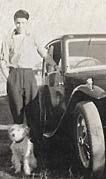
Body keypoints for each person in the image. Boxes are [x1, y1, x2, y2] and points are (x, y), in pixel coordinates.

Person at [0, 10, 57, 146]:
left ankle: (36, 145)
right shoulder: (8, 39)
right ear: (14, 22)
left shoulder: (33, 37)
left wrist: (55, 65)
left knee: (33, 110)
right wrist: (9, 78)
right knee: (17, 111)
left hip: (29, 75)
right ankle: (19, 146)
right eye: (18, 22)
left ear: (27, 23)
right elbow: (3, 61)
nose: (20, 25)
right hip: (14, 74)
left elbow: (44, 53)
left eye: (23, 23)